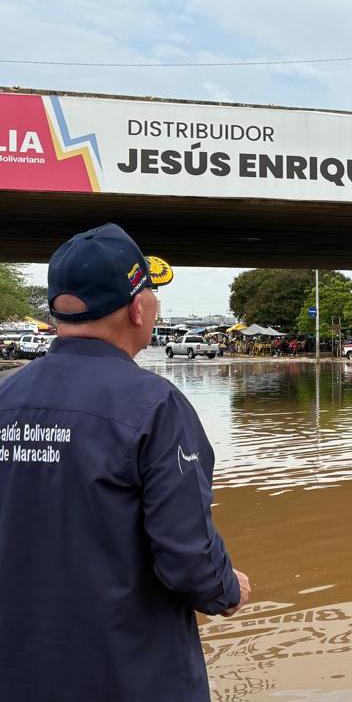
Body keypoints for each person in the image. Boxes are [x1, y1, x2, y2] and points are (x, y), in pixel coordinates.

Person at [0, 223, 250, 702]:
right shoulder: (155, 406)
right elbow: (188, 559)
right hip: (129, 677)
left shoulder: (6, 397)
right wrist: (227, 589)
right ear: (138, 308)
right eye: (153, 295)